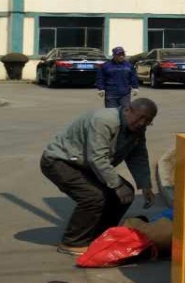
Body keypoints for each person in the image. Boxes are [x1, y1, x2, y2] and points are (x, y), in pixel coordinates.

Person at [40, 98, 158, 256]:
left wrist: (145, 185)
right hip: (60, 161)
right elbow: (97, 158)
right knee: (93, 197)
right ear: (128, 110)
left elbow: (138, 155)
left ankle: (100, 236)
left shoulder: (137, 128)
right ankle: (72, 242)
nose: (142, 123)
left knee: (126, 193)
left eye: (148, 121)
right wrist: (116, 185)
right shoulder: (104, 121)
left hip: (85, 164)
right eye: (140, 117)